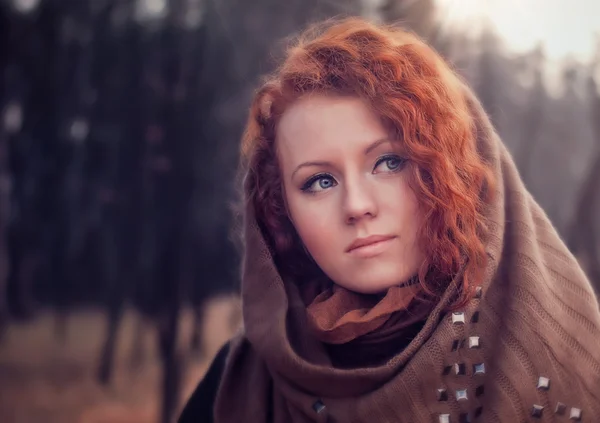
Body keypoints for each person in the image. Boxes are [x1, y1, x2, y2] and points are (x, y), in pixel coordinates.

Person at [178, 17, 600, 423]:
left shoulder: (561, 367)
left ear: (454, 171)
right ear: (281, 213)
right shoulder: (238, 385)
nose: (357, 205)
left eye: (389, 161)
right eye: (320, 181)